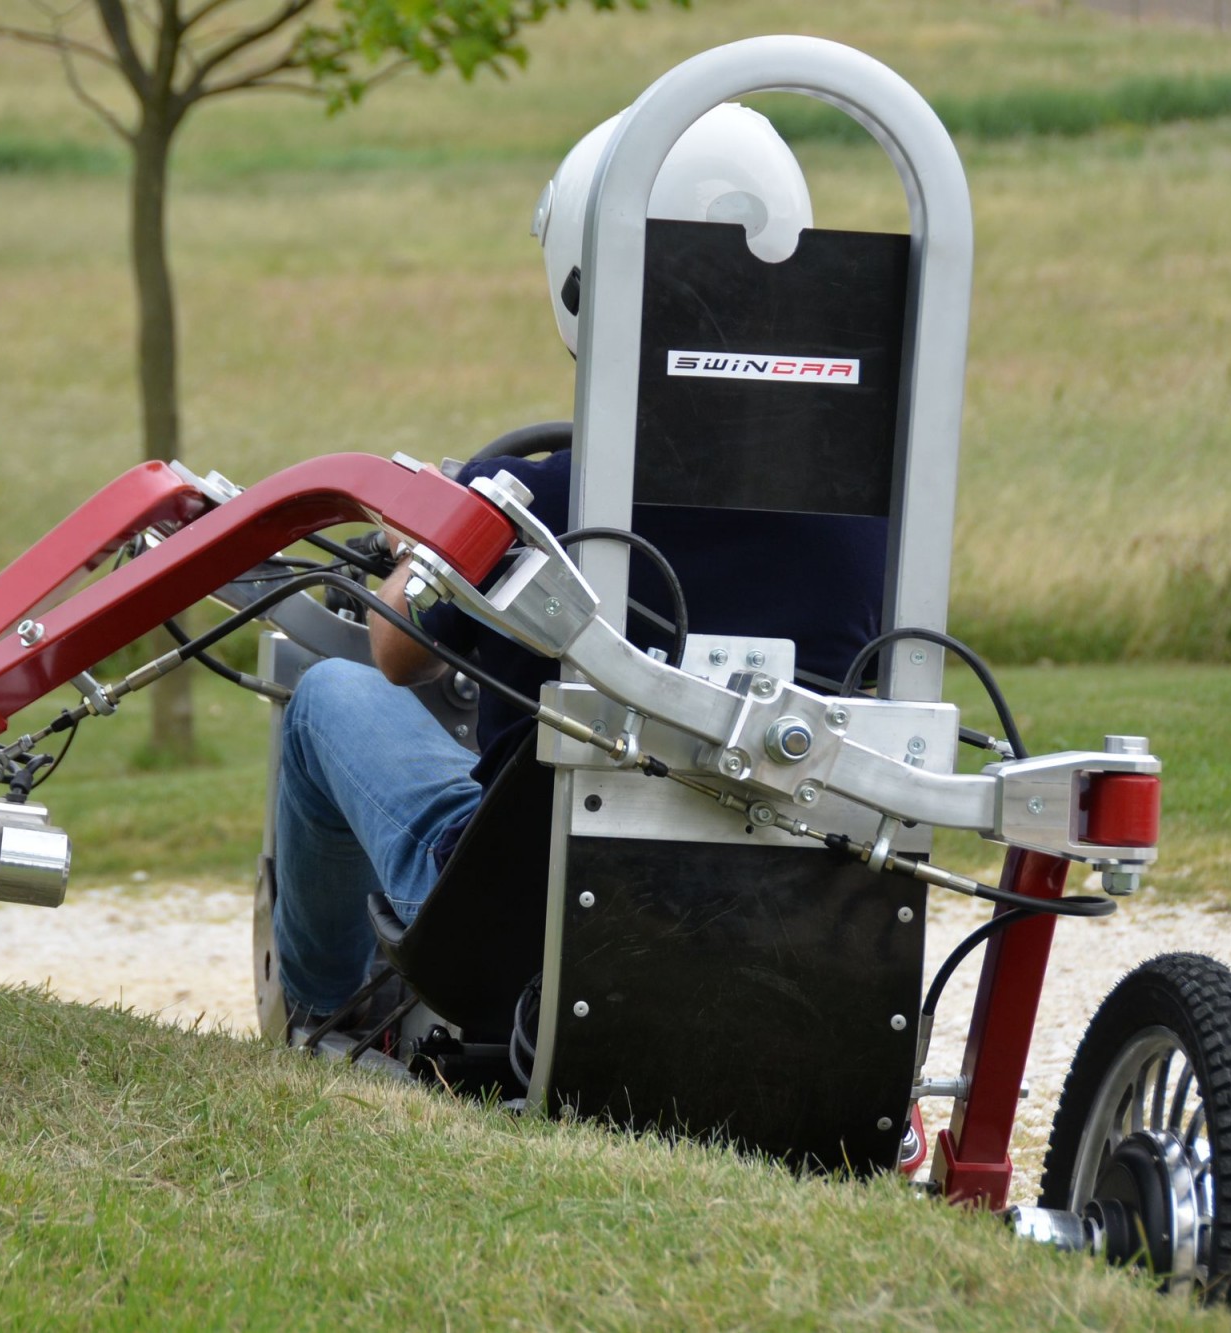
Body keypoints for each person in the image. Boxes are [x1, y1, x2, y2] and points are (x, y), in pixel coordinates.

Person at [272, 103, 862, 1027]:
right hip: (801, 924)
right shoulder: (869, 525)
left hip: (524, 929)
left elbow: (398, 654)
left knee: (324, 699)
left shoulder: (526, 500)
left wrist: (431, 536)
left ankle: (318, 1014)